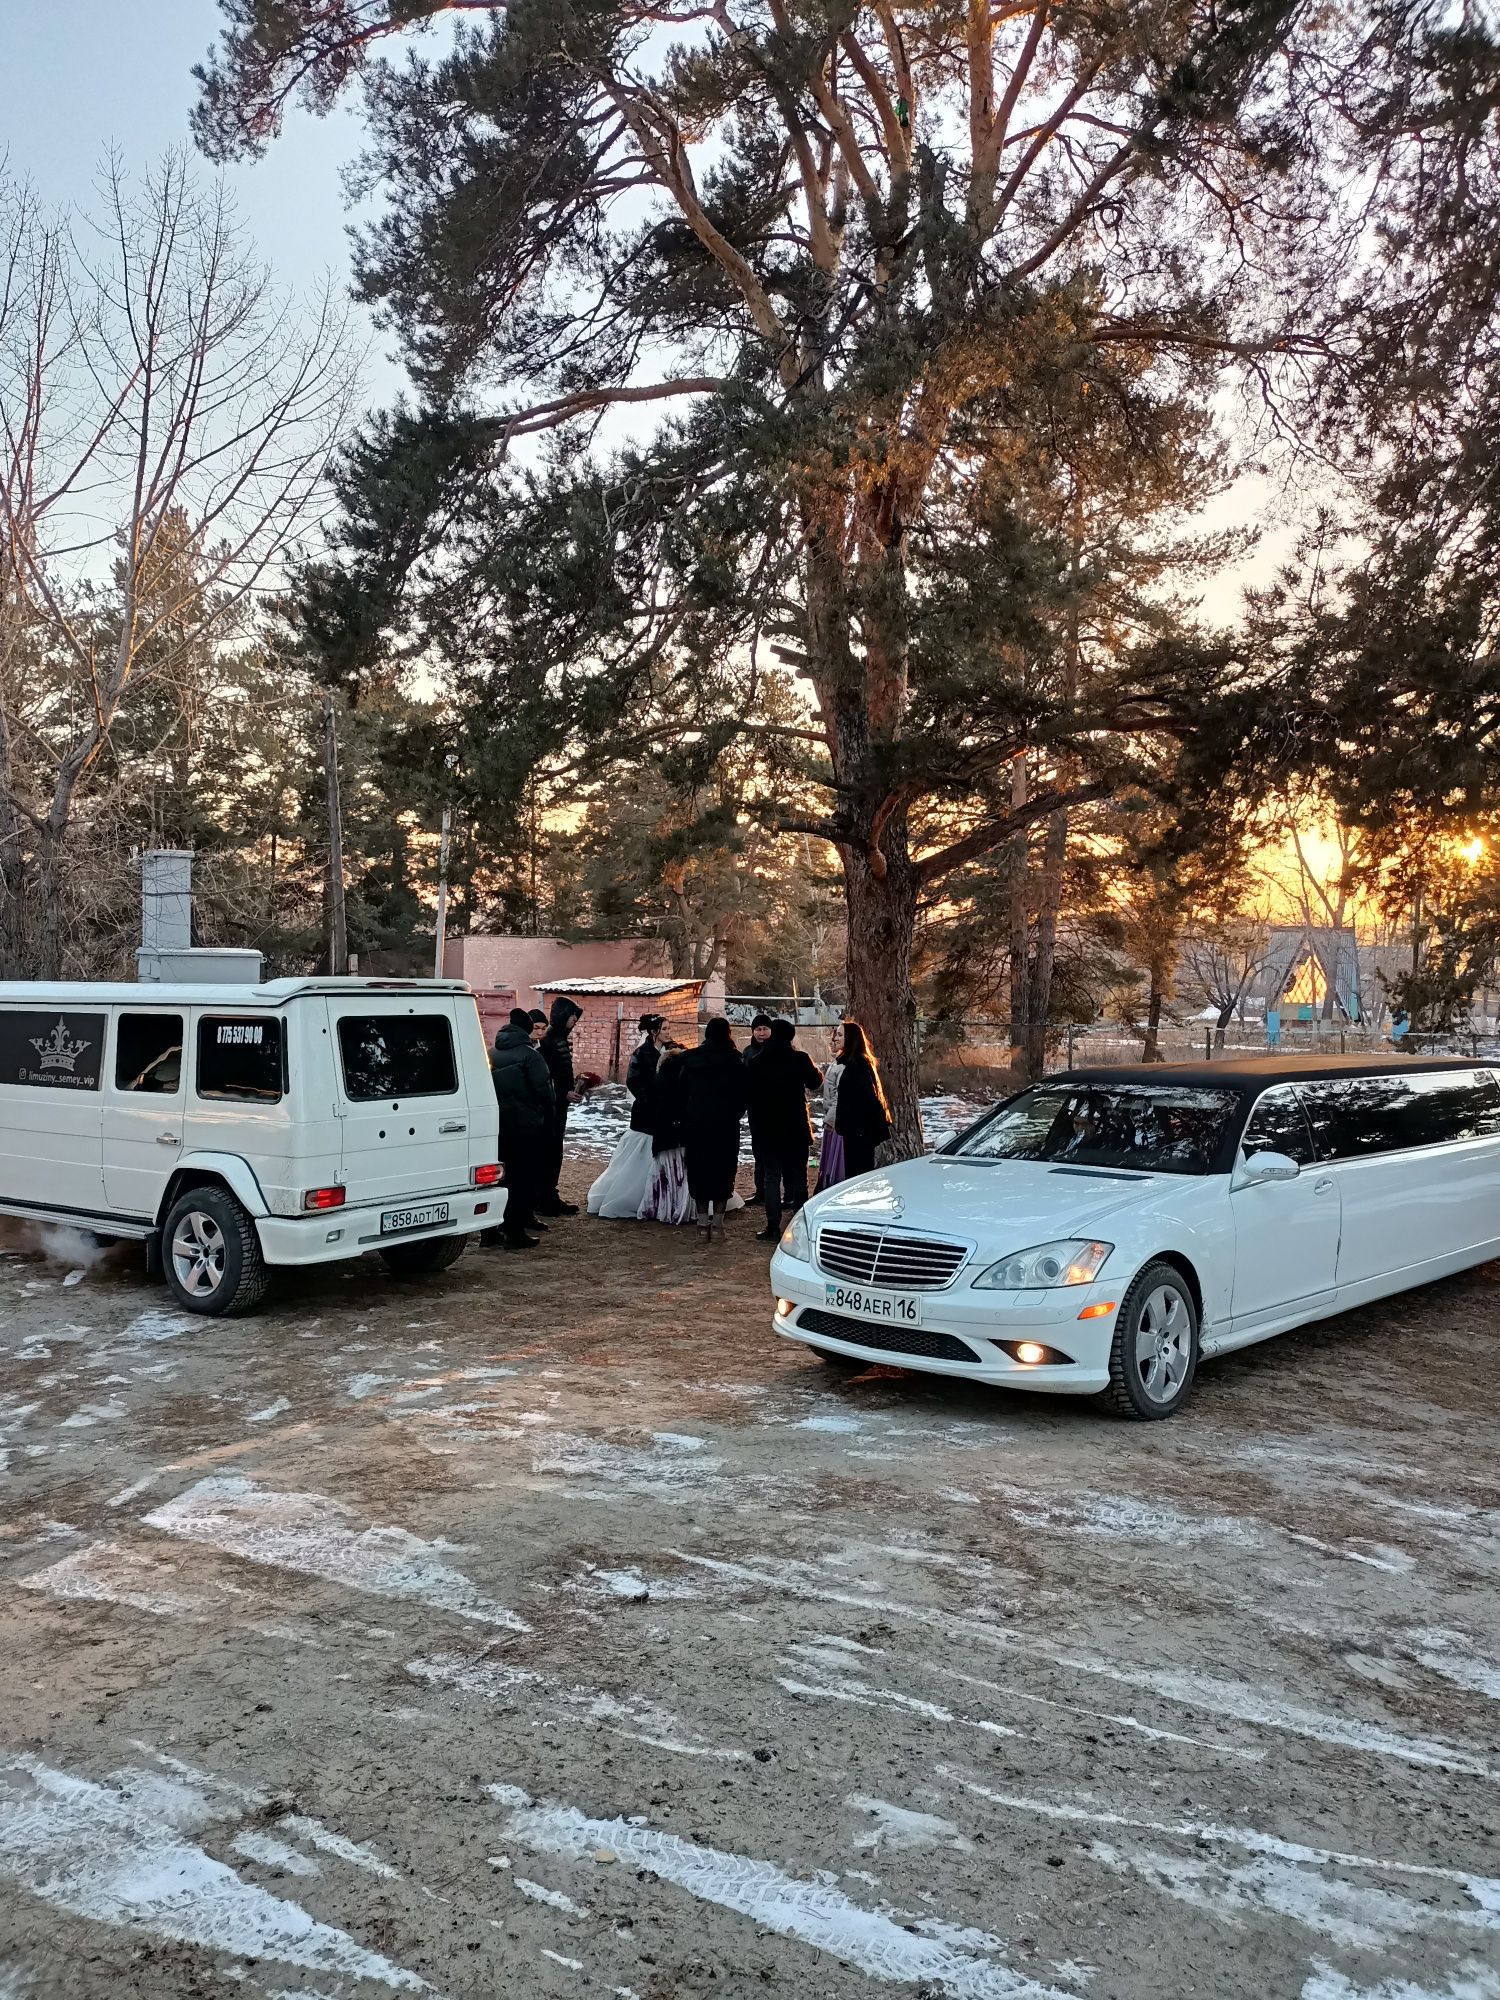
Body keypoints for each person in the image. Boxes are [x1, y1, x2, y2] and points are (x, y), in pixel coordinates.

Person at [743, 1018, 823, 1241]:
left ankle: (772, 1226)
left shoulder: (757, 1061)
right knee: (799, 1175)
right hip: (795, 1126)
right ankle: (800, 1224)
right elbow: (816, 1082)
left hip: (768, 1128)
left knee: (771, 1176)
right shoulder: (799, 1058)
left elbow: (749, 1094)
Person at [673, 1016, 748, 1241]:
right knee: (724, 1172)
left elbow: (680, 1093)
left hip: (696, 1125)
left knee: (699, 1171)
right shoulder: (736, 1060)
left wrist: (686, 1117)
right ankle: (718, 1225)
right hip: (725, 1126)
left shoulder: (689, 1059)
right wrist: (733, 1115)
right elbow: (743, 1096)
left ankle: (702, 1223)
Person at [489, 1008, 555, 1249]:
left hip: (498, 1125)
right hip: (526, 1127)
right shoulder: (531, 1056)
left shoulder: (491, 1052)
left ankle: (490, 1232)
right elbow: (544, 1092)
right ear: (527, 1029)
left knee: (498, 1179)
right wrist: (547, 1119)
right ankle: (515, 1232)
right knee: (522, 1179)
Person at [587, 1014, 664, 1219]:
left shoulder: (670, 1050)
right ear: (654, 1031)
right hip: (647, 1111)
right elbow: (634, 1081)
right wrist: (650, 1099)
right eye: (664, 1029)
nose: (668, 1033)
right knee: (640, 1153)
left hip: (664, 1112)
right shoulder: (642, 1053)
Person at [536, 996, 583, 1216]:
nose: (575, 1020)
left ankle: (548, 1195)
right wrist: (564, 1093)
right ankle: (545, 1197)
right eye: (572, 1015)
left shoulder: (559, 1039)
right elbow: (545, 1079)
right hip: (550, 1108)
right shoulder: (550, 1041)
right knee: (550, 1152)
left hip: (558, 1106)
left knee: (554, 1151)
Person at [639, 1039, 695, 1224]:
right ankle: (683, 1209)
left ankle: (662, 1209)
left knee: (663, 1174)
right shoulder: (688, 1076)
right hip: (684, 1133)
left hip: (664, 1133)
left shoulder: (659, 1079)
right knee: (684, 1175)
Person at [834, 1019, 891, 1179]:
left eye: (839, 1035)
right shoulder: (851, 1062)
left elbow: (867, 1096)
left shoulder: (857, 1064)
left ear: (850, 1038)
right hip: (855, 1130)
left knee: (858, 1175)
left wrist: (860, 1127)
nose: (835, 1038)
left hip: (859, 1131)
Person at [743, 1012, 774, 1204]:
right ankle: (760, 1191)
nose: (762, 1033)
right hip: (755, 1108)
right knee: (758, 1151)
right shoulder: (748, 1052)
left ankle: (780, 1193)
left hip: (775, 1109)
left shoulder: (778, 1051)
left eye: (765, 1029)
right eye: (758, 1029)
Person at [814, 1022, 846, 1190]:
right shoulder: (838, 1061)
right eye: (836, 1034)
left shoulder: (845, 1065)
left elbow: (840, 1096)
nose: (835, 1038)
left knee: (837, 1162)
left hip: (837, 1123)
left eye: (840, 1035)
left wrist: (831, 1120)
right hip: (832, 1119)